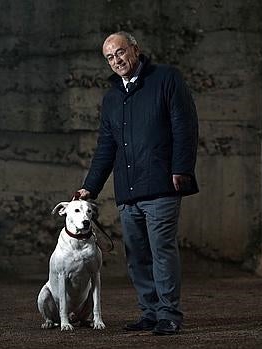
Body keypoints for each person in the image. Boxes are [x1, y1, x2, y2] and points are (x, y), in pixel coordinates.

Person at [76, 31, 199, 336]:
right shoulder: (112, 97)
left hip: (161, 185)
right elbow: (106, 147)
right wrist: (90, 187)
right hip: (128, 190)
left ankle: (169, 314)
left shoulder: (167, 78)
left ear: (135, 49)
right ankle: (150, 312)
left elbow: (185, 126)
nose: (116, 61)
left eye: (119, 52)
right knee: (137, 256)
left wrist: (181, 168)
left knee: (162, 250)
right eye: (109, 57)